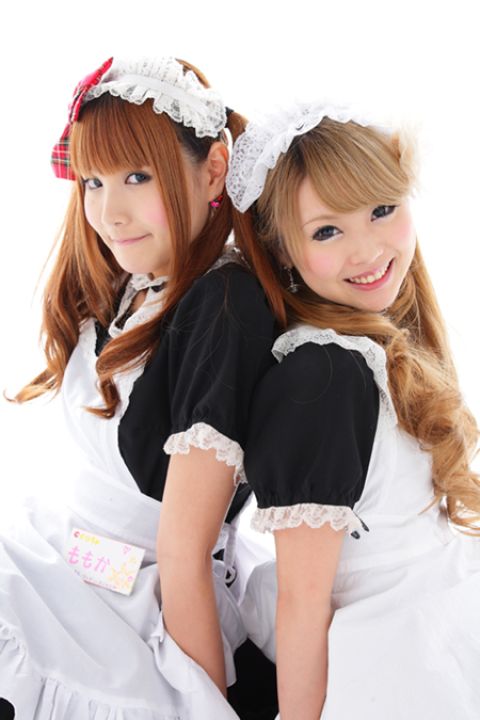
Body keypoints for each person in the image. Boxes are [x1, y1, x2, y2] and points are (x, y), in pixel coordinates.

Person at [0, 57, 279, 720]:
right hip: (65, 558)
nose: (108, 211)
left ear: (213, 170)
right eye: (93, 181)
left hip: (132, 605)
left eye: (137, 176)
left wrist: (199, 703)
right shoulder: (134, 283)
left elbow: (183, 552)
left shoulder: (224, 305)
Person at [226, 103, 480, 719]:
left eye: (381, 210)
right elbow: (303, 603)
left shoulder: (378, 345)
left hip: (439, 623)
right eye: (326, 232)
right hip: (387, 664)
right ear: (283, 252)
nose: (367, 250)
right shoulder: (322, 377)